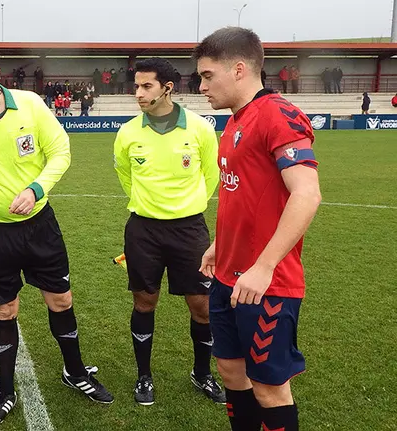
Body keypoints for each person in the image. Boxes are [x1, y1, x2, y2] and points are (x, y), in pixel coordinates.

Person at [0, 40, 113, 426]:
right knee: (4, 309)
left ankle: (75, 372)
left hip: (40, 227)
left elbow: (60, 151)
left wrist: (35, 190)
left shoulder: (29, 105)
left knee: (61, 301)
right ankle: (6, 390)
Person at [194, 27, 321, 431]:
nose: (201, 87)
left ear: (238, 69)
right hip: (228, 277)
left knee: (270, 388)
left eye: (207, 76)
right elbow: (246, 196)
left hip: (268, 283)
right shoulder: (233, 123)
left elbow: (307, 194)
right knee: (233, 374)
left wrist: (264, 266)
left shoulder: (278, 116)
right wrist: (219, 243)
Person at [113, 57, 224, 406]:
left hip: (189, 230)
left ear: (167, 88)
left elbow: (211, 175)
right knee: (145, 301)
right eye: (137, 86)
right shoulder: (128, 132)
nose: (139, 93)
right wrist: (150, 207)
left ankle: (202, 374)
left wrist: (187, 206)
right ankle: (144, 376)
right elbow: (125, 177)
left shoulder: (200, 129)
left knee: (202, 305)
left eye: (146, 86)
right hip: (143, 230)